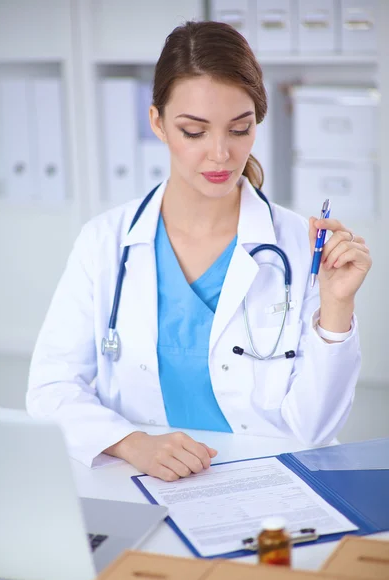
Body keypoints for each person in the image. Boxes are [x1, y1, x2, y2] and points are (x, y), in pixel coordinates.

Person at [26, 21, 372, 481]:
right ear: (158, 123)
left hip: (276, 490)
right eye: (194, 131)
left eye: (239, 129)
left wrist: (337, 307)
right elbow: (50, 387)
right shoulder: (104, 243)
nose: (221, 154)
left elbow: (314, 429)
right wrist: (133, 444)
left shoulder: (300, 248)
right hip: (144, 485)